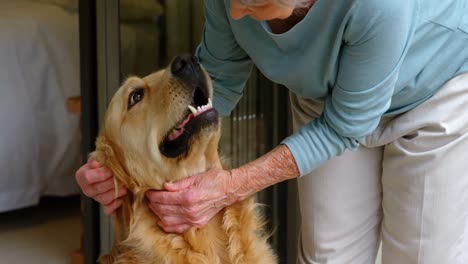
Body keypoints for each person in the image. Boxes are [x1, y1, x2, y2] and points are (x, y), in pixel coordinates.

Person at [76, 0, 468, 263]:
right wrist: (114, 168)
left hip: (434, 86)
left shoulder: (380, 7)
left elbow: (346, 126)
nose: (234, 11)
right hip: (325, 98)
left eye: (252, 3)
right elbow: (221, 78)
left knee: (424, 255)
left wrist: (231, 186)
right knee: (329, 255)